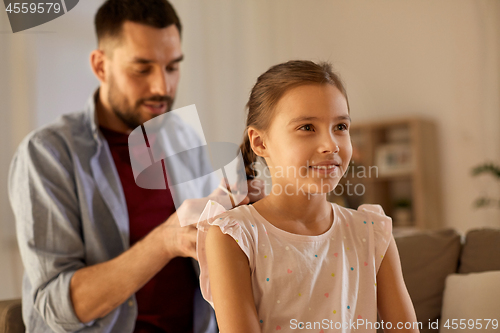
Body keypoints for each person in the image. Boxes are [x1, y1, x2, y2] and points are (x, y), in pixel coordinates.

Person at [8, 0, 263, 332]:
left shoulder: (184, 138)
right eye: (142, 69)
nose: (163, 87)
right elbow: (54, 307)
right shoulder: (47, 155)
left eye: (172, 67)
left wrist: (245, 219)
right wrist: (164, 242)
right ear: (101, 66)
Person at [196, 60, 420, 332]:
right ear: (260, 143)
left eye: (340, 127)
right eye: (307, 128)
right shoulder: (233, 235)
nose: (331, 145)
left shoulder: (373, 233)